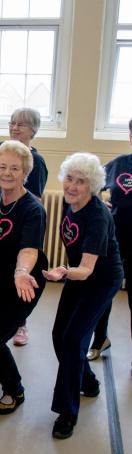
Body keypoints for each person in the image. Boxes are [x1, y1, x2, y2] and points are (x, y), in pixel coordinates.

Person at [43, 153, 123, 439]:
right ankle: (88, 383)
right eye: (69, 179)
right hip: (78, 276)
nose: (72, 186)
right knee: (58, 335)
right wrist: (67, 272)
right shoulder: (71, 205)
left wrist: (62, 272)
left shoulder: (97, 217)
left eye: (81, 182)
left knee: (75, 339)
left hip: (100, 280)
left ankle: (67, 412)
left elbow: (87, 270)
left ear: (92, 186)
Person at [0, 140, 47, 415]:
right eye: (2, 167)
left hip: (24, 280)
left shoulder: (33, 209)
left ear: (26, 172)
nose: (6, 173)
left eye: (14, 168)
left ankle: (14, 389)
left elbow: (29, 250)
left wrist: (21, 272)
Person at [0, 91, 49, 346]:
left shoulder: (34, 165)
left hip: (20, 262)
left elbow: (29, 248)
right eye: (12, 123)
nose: (15, 127)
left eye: (22, 124)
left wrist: (20, 270)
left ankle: (16, 330)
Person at [87, 118, 132, 361]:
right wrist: (99, 201)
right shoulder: (119, 164)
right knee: (104, 292)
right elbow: (92, 185)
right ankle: (100, 338)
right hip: (114, 241)